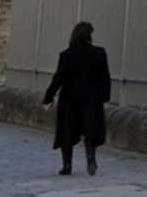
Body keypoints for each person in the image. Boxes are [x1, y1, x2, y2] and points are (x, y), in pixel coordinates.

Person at [42, 20, 112, 176]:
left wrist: (48, 98)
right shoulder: (99, 53)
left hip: (70, 98)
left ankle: (67, 165)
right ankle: (90, 156)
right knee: (91, 129)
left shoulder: (66, 55)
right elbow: (105, 77)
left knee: (67, 131)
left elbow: (58, 78)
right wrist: (104, 96)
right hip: (91, 97)